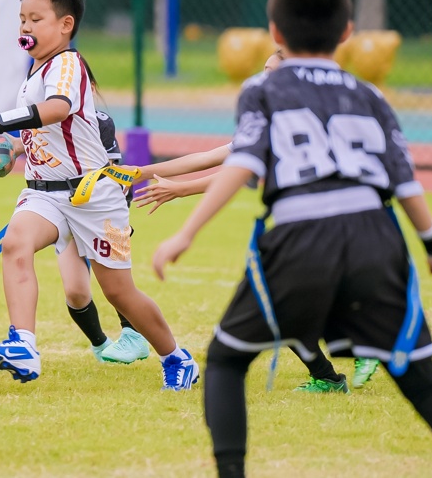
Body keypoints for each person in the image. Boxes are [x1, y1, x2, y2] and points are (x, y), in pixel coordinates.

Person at [152, 0, 432, 476]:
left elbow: (244, 163)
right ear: (347, 33)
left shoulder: (263, 89)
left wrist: (187, 232)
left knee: (227, 361)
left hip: (302, 235)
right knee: (424, 382)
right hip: (377, 239)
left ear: (273, 33)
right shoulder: (372, 95)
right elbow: (406, 182)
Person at [0, 0, 196, 390]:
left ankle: (177, 358)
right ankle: (24, 347)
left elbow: (58, 108)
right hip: (44, 193)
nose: (25, 27)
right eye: (22, 19)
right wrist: (16, 147)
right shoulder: (36, 70)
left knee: (119, 292)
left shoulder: (67, 63)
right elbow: (48, 129)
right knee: (16, 244)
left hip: (96, 196)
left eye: (36, 18)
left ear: (65, 25)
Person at [134, 49, 381, 392]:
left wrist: (180, 191)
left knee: (295, 300)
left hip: (327, 225)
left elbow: (237, 174)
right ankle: (329, 374)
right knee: (284, 304)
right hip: (304, 227)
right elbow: (208, 158)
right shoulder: (276, 116)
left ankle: (368, 345)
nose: (262, 79)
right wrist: (140, 172)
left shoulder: (295, 121)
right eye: (262, 70)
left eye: (271, 71)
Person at [10, 109, 151, 365]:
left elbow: (115, 175)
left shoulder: (98, 121)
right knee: (75, 292)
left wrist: (118, 219)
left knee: (117, 287)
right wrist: (14, 147)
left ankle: (136, 336)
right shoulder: (39, 116)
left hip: (97, 212)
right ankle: (100, 346)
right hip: (61, 213)